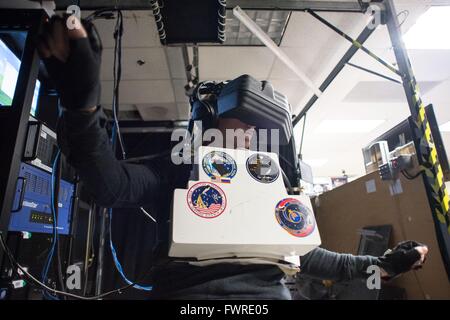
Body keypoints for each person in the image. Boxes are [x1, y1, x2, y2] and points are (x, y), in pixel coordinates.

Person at [37, 16, 428, 300]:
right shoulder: (180, 170)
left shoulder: (274, 187)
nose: (245, 141)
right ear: (207, 126)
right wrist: (82, 110)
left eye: (256, 134)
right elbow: (110, 185)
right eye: (236, 127)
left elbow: (318, 260)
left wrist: (386, 264)